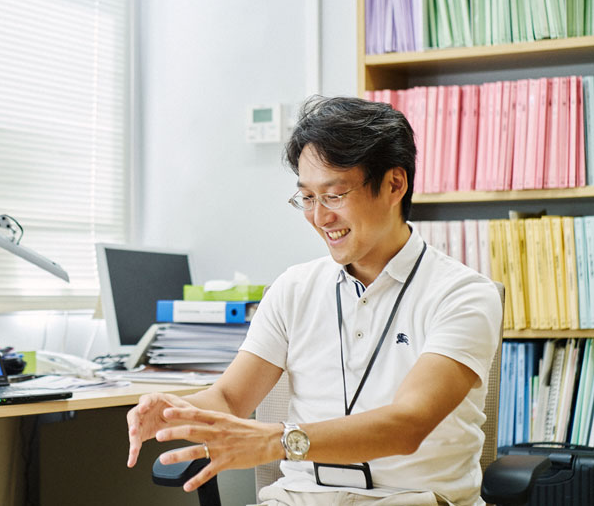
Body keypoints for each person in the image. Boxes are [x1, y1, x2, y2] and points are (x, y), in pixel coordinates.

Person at [126, 96, 501, 506]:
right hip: (298, 498)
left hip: (411, 499)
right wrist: (178, 410)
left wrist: (280, 441)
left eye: (334, 195)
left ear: (395, 184)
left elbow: (407, 425)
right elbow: (231, 399)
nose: (320, 218)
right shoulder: (294, 289)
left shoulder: (463, 294)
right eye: (307, 198)